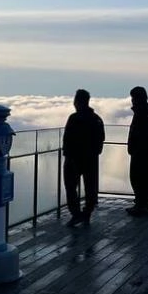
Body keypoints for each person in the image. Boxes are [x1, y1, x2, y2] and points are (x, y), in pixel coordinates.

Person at [61, 89, 105, 227]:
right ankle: (86, 214)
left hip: (73, 159)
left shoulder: (74, 118)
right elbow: (101, 139)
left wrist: (68, 155)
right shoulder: (96, 119)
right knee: (90, 188)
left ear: (78, 102)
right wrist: (94, 153)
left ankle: (76, 214)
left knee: (70, 187)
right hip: (90, 159)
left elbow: (67, 139)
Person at [127, 86, 148, 216]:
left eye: (133, 98)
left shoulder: (142, 112)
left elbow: (141, 133)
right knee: (147, 177)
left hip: (141, 151)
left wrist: (135, 147)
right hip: (145, 150)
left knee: (139, 177)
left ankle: (142, 204)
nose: (132, 100)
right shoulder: (147, 110)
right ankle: (145, 203)